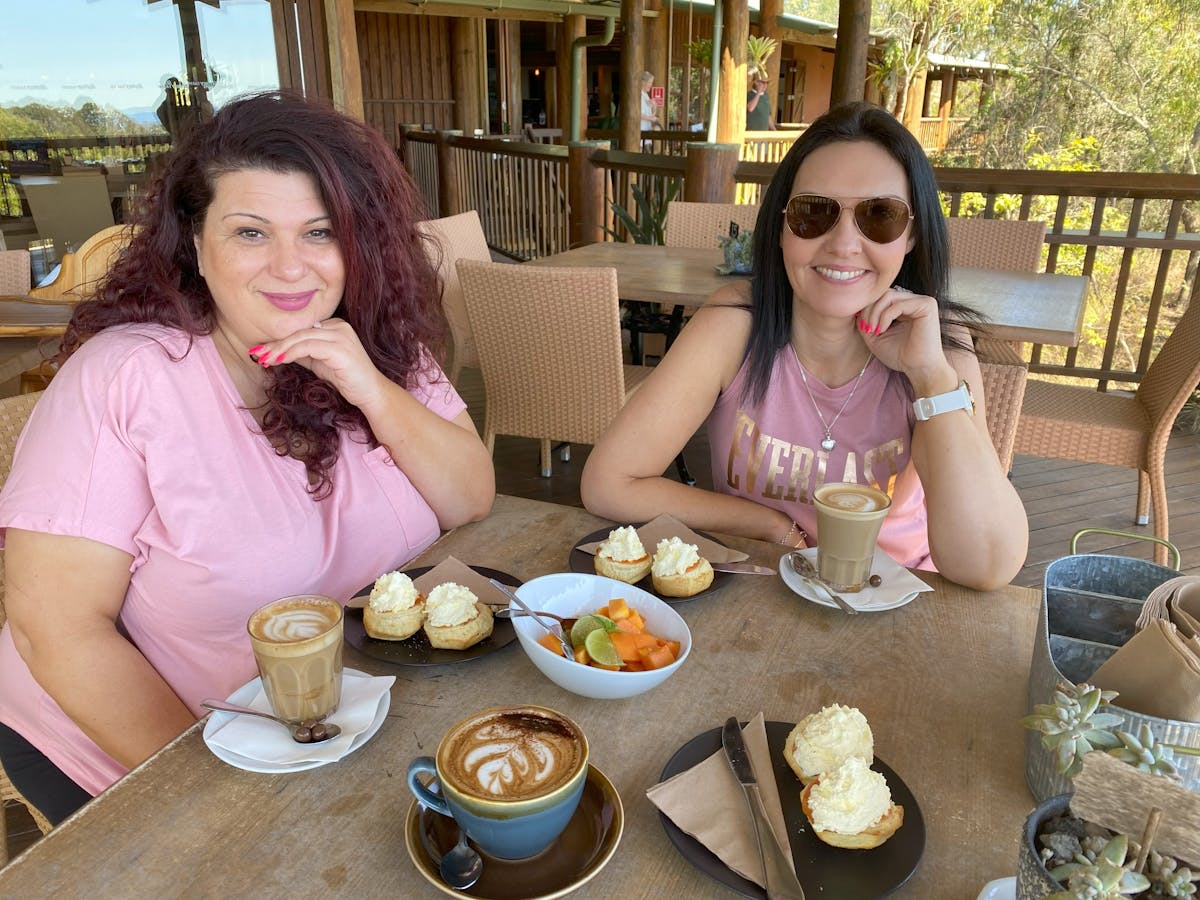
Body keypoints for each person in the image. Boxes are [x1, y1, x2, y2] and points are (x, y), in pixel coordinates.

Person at [0, 92, 495, 822]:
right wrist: (223, 799)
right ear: (196, 244)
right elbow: (58, 631)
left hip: (332, 722)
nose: (291, 268)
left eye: (321, 231)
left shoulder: (376, 341)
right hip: (134, 744)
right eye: (252, 232)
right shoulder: (129, 376)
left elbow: (470, 499)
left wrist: (370, 388)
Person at [581, 101, 1028, 591]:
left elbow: (986, 567)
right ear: (781, 226)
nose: (843, 243)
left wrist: (930, 376)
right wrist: (768, 525)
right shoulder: (735, 324)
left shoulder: (942, 353)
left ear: (913, 234)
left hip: (895, 603)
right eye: (814, 213)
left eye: (879, 216)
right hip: (761, 588)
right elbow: (609, 484)